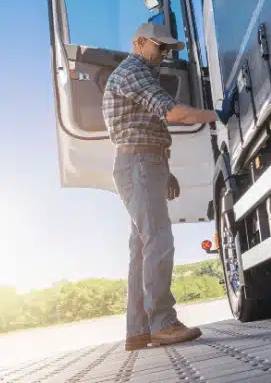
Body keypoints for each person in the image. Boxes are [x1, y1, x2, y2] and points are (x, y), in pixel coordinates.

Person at [102, 22, 238, 351]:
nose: (163, 55)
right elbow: (174, 113)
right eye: (159, 47)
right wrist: (217, 115)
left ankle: (137, 331)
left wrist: (165, 170)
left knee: (142, 248)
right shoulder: (133, 71)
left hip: (142, 164)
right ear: (138, 43)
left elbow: (142, 128)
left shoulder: (138, 73)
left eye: (168, 50)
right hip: (139, 166)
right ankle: (162, 322)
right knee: (158, 241)